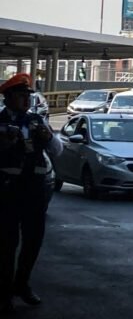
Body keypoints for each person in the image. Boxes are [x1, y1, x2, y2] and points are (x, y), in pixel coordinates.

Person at [0, 73, 63, 314]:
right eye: (21, 96)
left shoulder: (37, 120)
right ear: (8, 98)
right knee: (6, 244)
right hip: (6, 190)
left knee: (33, 241)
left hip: (34, 190)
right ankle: (4, 291)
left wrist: (47, 137)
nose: (26, 100)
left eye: (28, 96)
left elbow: (57, 151)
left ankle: (22, 284)